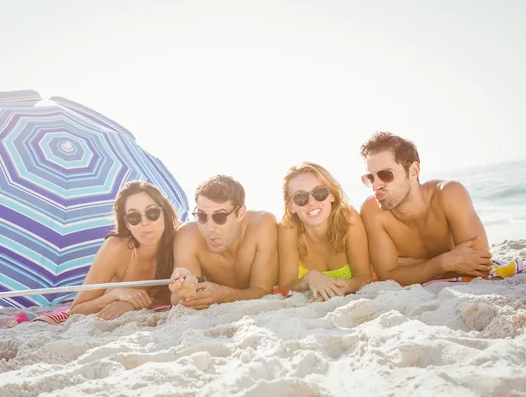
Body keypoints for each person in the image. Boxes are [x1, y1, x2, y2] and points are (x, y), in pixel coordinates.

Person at [359, 131, 493, 286]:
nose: (376, 185)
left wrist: (412, 266)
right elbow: (388, 277)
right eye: (370, 178)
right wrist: (442, 263)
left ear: (414, 171)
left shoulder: (448, 194)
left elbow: (480, 264)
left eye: (385, 174)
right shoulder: (372, 211)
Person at [70, 181, 180, 319]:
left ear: (165, 213)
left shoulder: (179, 241)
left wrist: (132, 304)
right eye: (134, 217)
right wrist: (116, 294)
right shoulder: (115, 248)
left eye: (152, 213)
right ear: (127, 223)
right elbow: (76, 310)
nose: (144, 222)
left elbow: (176, 296)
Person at [168, 175, 278, 309]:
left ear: (241, 213)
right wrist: (183, 290)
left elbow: (263, 291)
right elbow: (177, 299)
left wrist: (222, 295)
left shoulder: (262, 225)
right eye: (202, 216)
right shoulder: (187, 236)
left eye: (219, 217)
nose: (209, 228)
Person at [278, 162, 373, 300]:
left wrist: (347, 285)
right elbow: (286, 285)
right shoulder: (289, 229)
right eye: (301, 198)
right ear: (291, 206)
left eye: (320, 193)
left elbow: (365, 277)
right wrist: (310, 278)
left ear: (332, 195)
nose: (312, 202)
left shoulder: (348, 219)